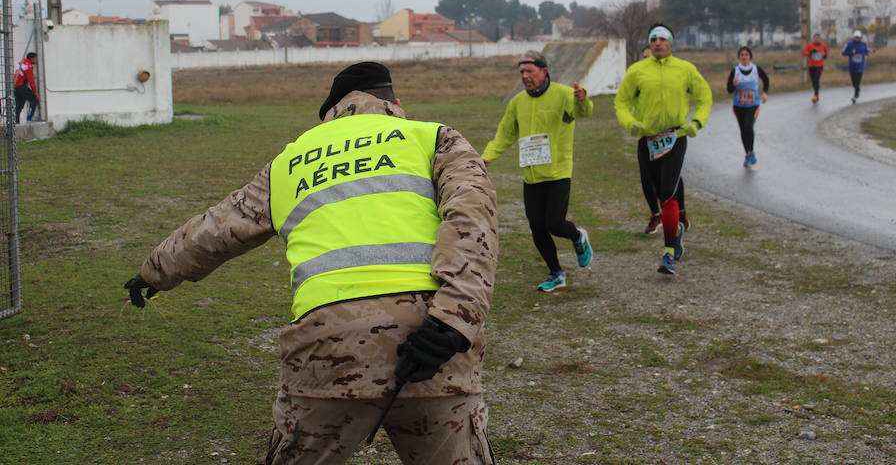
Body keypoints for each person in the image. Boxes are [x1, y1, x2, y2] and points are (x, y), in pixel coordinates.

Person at [123, 61, 499, 465]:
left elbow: (217, 227)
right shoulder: (434, 138)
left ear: (331, 113)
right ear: (395, 103)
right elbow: (472, 218)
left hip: (326, 346)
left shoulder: (291, 161)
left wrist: (154, 270)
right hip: (431, 341)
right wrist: (453, 320)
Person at [481, 50, 593, 292]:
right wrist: (487, 156)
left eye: (529, 71)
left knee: (554, 223)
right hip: (531, 175)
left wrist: (582, 99)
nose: (525, 76)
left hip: (558, 172)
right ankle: (556, 273)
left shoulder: (563, 94)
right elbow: (505, 135)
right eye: (521, 72)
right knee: (537, 227)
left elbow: (582, 113)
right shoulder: (517, 102)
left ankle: (578, 237)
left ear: (544, 71)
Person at [614, 24, 712, 275]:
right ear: (649, 43)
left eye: (662, 39)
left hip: (675, 136)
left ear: (671, 43)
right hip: (647, 138)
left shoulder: (685, 69)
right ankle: (675, 228)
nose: (658, 42)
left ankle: (668, 253)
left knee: (668, 193)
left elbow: (704, 97)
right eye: (653, 39)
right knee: (654, 188)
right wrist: (630, 123)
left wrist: (696, 122)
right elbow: (621, 103)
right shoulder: (637, 71)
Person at [634, 45, 689, 235]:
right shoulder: (639, 77)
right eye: (644, 58)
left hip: (669, 135)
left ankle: (680, 213)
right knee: (646, 177)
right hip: (646, 135)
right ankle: (655, 214)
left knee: (671, 177)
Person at [726, 46, 769, 167]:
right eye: (742, 55)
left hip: (753, 105)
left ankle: (752, 151)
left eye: (746, 54)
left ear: (750, 56)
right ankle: (747, 154)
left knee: (748, 127)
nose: (744, 57)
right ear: (739, 57)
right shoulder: (735, 71)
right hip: (738, 106)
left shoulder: (756, 69)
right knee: (743, 130)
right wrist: (734, 85)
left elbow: (766, 79)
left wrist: (765, 92)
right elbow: (729, 89)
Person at [841, 30, 870, 104]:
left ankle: (856, 95)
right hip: (852, 66)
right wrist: (851, 53)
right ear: (853, 37)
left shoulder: (864, 44)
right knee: (854, 83)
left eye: (858, 37)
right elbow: (843, 53)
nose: (857, 38)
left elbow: (866, 52)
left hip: (860, 66)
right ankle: (857, 90)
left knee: (857, 82)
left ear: (861, 37)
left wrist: (868, 53)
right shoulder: (849, 44)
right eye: (855, 37)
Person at [801, 33, 828, 103]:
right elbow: (803, 53)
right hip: (811, 66)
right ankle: (816, 91)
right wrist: (811, 52)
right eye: (815, 38)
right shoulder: (810, 45)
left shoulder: (823, 46)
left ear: (820, 39)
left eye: (818, 38)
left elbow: (826, 53)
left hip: (819, 65)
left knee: (816, 79)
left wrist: (824, 55)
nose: (817, 39)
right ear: (813, 39)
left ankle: (816, 95)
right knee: (813, 81)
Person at [14, 51, 40, 123]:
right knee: (34, 99)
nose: (36, 60)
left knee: (19, 105)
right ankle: (29, 118)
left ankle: (16, 121)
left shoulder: (20, 63)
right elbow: (31, 80)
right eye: (36, 58)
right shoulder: (28, 65)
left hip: (16, 87)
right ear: (31, 58)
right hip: (21, 86)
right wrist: (35, 92)